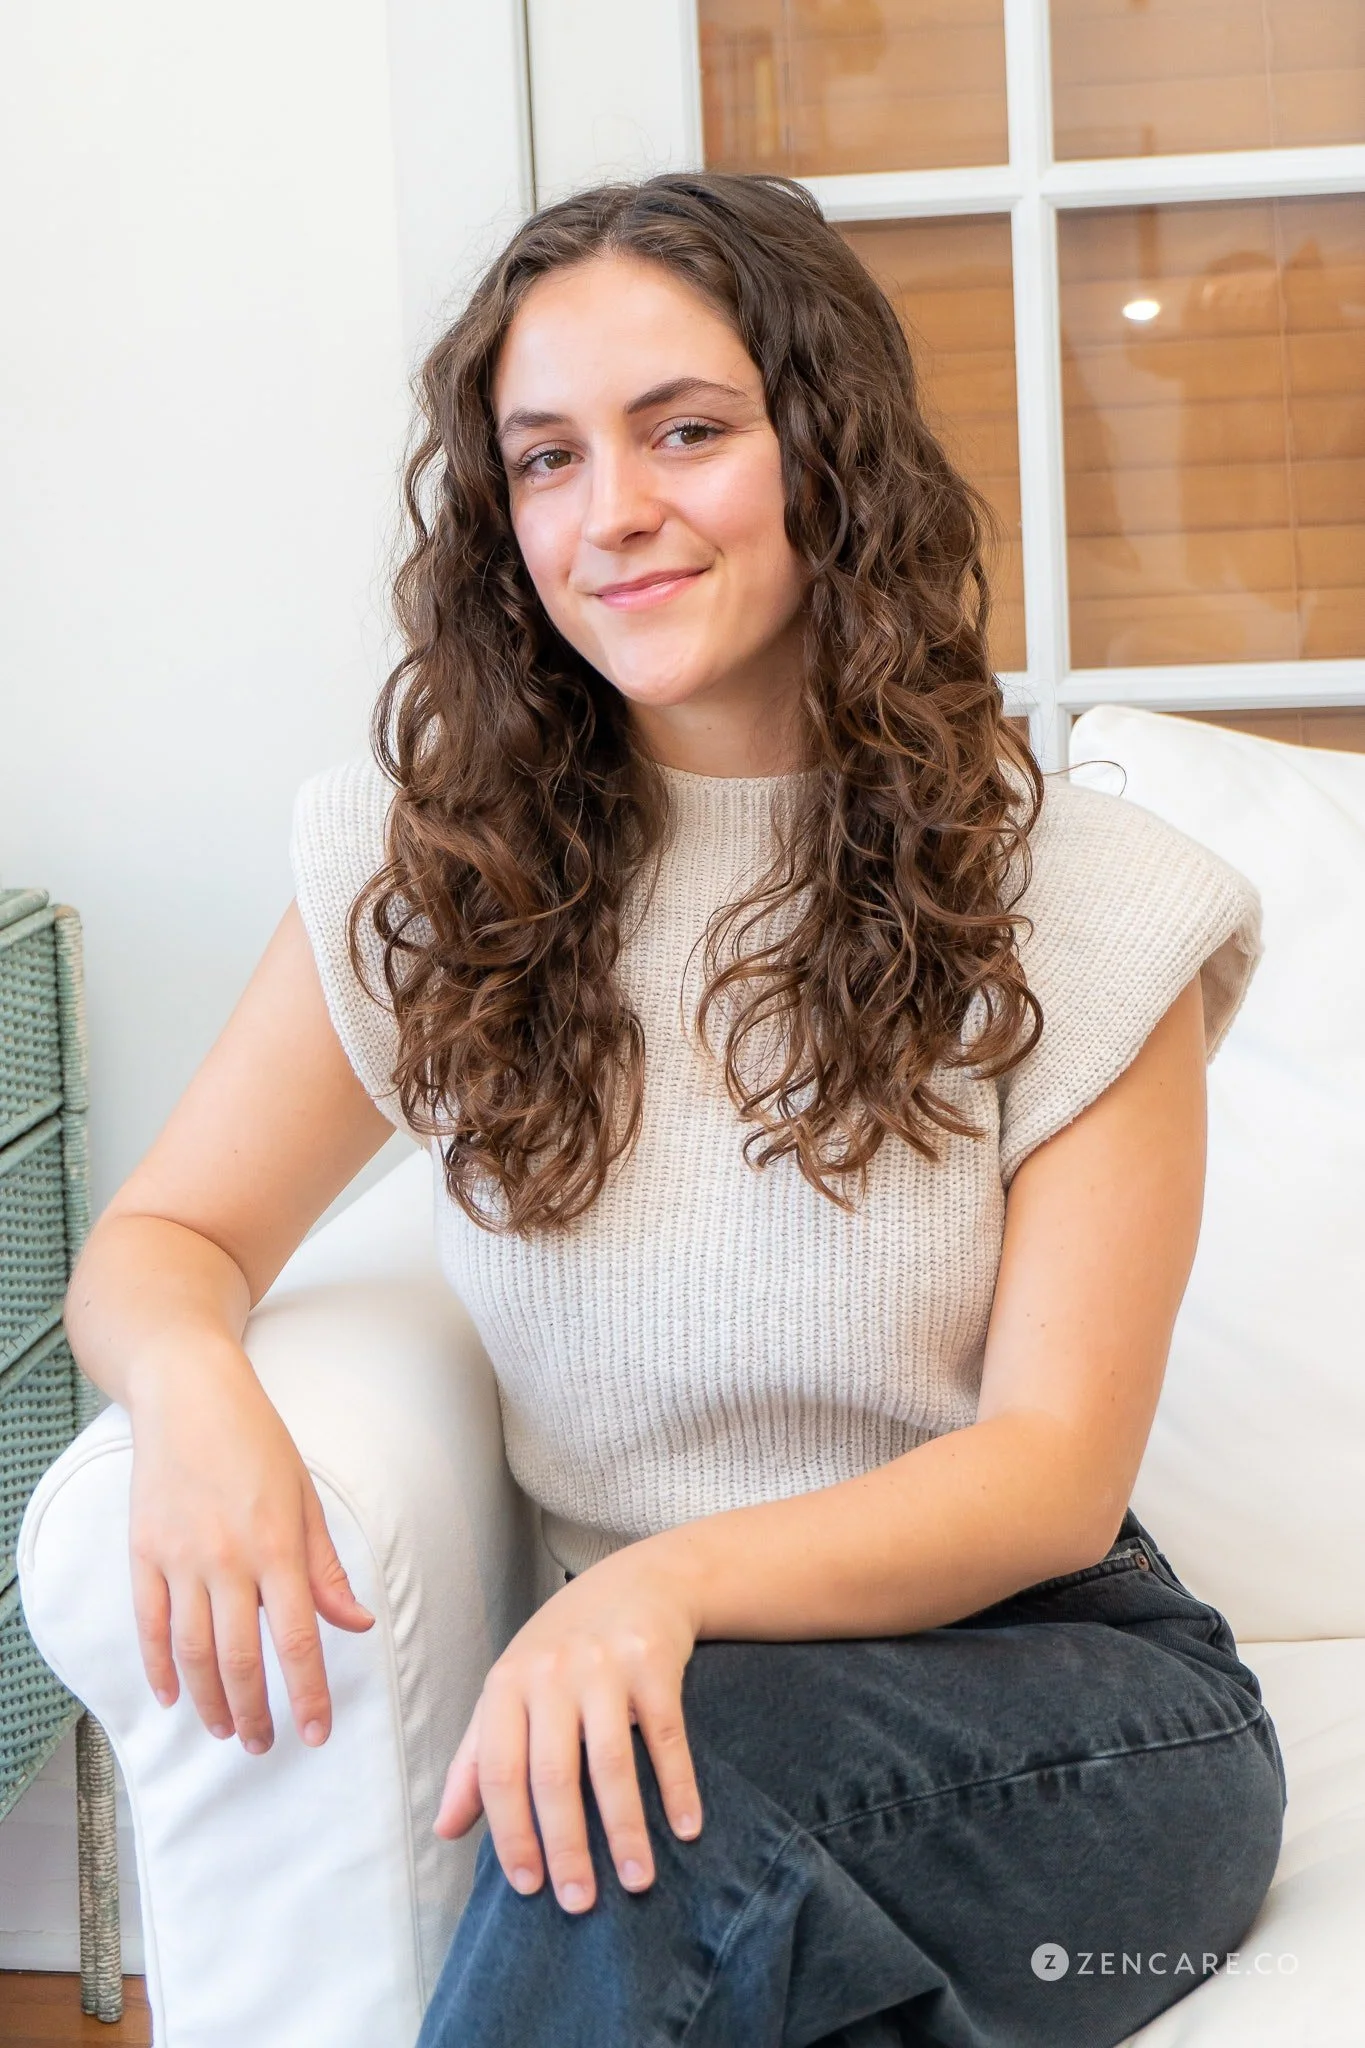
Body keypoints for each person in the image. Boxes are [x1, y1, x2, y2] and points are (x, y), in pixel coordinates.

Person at [64, 172, 1286, 2047]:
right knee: (655, 1808)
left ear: (830, 452)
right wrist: (199, 1393)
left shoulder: (1092, 902)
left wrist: (653, 1598)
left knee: (641, 1789)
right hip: (669, 1724)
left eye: (687, 432)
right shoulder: (434, 880)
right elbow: (164, 1239)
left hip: (1072, 1719)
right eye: (544, 460)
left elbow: (1055, 1471)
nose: (610, 511)